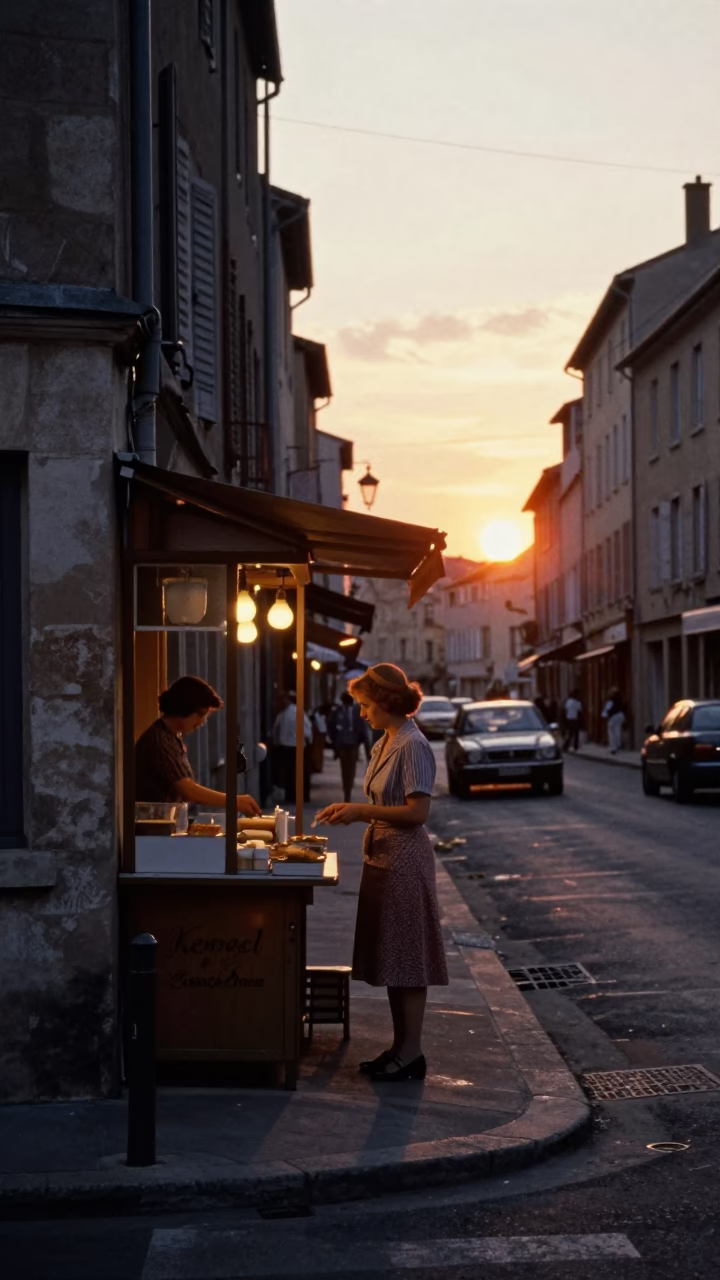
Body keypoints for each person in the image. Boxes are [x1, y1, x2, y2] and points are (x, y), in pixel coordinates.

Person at [315, 663, 448, 1082]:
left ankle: (412, 1052)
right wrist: (351, 812)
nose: (361, 713)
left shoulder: (413, 745)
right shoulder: (384, 742)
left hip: (405, 857)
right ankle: (399, 1046)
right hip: (383, 855)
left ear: (388, 703)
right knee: (393, 955)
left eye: (366, 705)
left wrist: (360, 811)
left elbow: (418, 811)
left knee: (408, 955)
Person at [135, 676, 261, 814]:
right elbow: (188, 789)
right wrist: (234, 801)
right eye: (200, 714)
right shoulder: (159, 740)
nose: (202, 722)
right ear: (184, 707)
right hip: (149, 829)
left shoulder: (171, 738)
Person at [328, 690, 370, 802]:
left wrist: (365, 746)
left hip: (353, 745)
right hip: (342, 744)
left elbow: (363, 728)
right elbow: (331, 726)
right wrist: (334, 741)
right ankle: (346, 789)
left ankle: (348, 790)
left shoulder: (357, 711)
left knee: (351, 769)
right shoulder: (338, 711)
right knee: (344, 769)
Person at [272, 691, 312, 802]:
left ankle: (292, 795)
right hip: (297, 746)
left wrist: (275, 743)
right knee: (300, 772)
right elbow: (307, 729)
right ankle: (302, 795)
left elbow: (275, 730)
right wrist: (309, 741)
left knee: (290, 773)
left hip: (287, 747)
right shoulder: (298, 712)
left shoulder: (283, 714)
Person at [602, 688, 625, 754]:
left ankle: (613, 747)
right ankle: (618, 745)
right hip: (620, 715)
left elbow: (607, 710)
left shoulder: (610, 701)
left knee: (611, 732)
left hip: (613, 716)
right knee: (618, 731)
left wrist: (605, 716)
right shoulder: (620, 700)